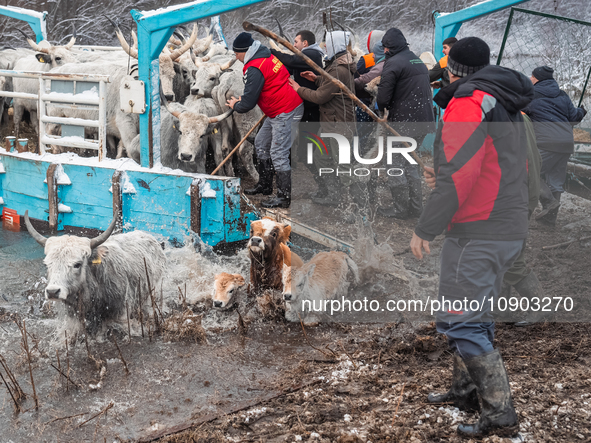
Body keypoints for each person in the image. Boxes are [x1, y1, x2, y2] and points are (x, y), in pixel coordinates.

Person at [411, 37, 534, 438]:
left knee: (464, 321)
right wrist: (444, 169)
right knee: (468, 313)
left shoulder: (468, 102)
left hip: (480, 229)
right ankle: (464, 390)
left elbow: (462, 176)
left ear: (451, 66)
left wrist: (425, 226)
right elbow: (495, 163)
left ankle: (500, 416)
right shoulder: (502, 100)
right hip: (502, 223)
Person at [288, 30, 366, 210]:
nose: (324, 46)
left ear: (334, 45)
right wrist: (317, 78)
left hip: (339, 124)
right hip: (330, 122)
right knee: (321, 158)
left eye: (327, 43)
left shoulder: (339, 69)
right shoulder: (337, 64)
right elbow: (331, 85)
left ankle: (352, 205)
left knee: (343, 166)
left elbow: (320, 97)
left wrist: (299, 89)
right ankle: (334, 195)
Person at [226, 32, 304, 209]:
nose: (236, 57)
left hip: (286, 110)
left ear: (244, 51)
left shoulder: (254, 67)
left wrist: (235, 105)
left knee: (278, 153)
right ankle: (265, 184)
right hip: (276, 109)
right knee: (261, 143)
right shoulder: (265, 54)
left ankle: (284, 197)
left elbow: (247, 103)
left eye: (237, 53)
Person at [376, 28, 434, 219]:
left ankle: (401, 209)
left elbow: (383, 98)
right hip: (424, 120)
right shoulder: (416, 59)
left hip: (403, 122)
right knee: (411, 163)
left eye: (386, 47)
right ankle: (416, 208)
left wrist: (381, 107)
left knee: (394, 163)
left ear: (390, 47)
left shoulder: (392, 63)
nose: (384, 50)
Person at [523, 66, 586, 226]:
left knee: (527, 173)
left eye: (532, 76)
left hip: (546, 142)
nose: (530, 78)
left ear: (537, 78)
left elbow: (521, 112)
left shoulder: (531, 94)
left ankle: (549, 201)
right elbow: (573, 116)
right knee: (555, 181)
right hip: (566, 142)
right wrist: (582, 111)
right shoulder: (562, 94)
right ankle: (549, 221)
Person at [270, 30, 324, 168]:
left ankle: (323, 184)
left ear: (305, 43)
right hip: (307, 104)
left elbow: (291, 60)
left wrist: (272, 52)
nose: (294, 45)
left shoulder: (311, 54)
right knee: (305, 146)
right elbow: (289, 66)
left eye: (296, 42)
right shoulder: (308, 55)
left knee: (307, 149)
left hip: (312, 106)